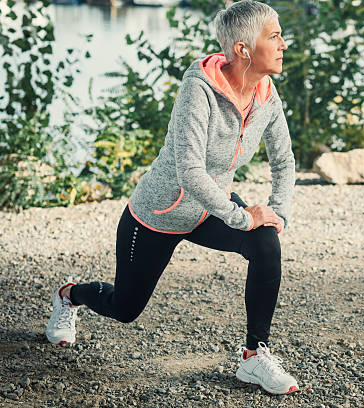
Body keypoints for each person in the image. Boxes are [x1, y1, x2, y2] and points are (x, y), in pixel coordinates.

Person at [45, 0, 298, 395]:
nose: (284, 43)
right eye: (275, 35)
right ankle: (70, 295)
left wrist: (276, 211)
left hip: (207, 211)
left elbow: (284, 160)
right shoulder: (199, 88)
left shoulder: (266, 93)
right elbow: (190, 171)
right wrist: (241, 216)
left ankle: (254, 356)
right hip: (156, 216)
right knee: (126, 308)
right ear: (243, 49)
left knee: (266, 242)